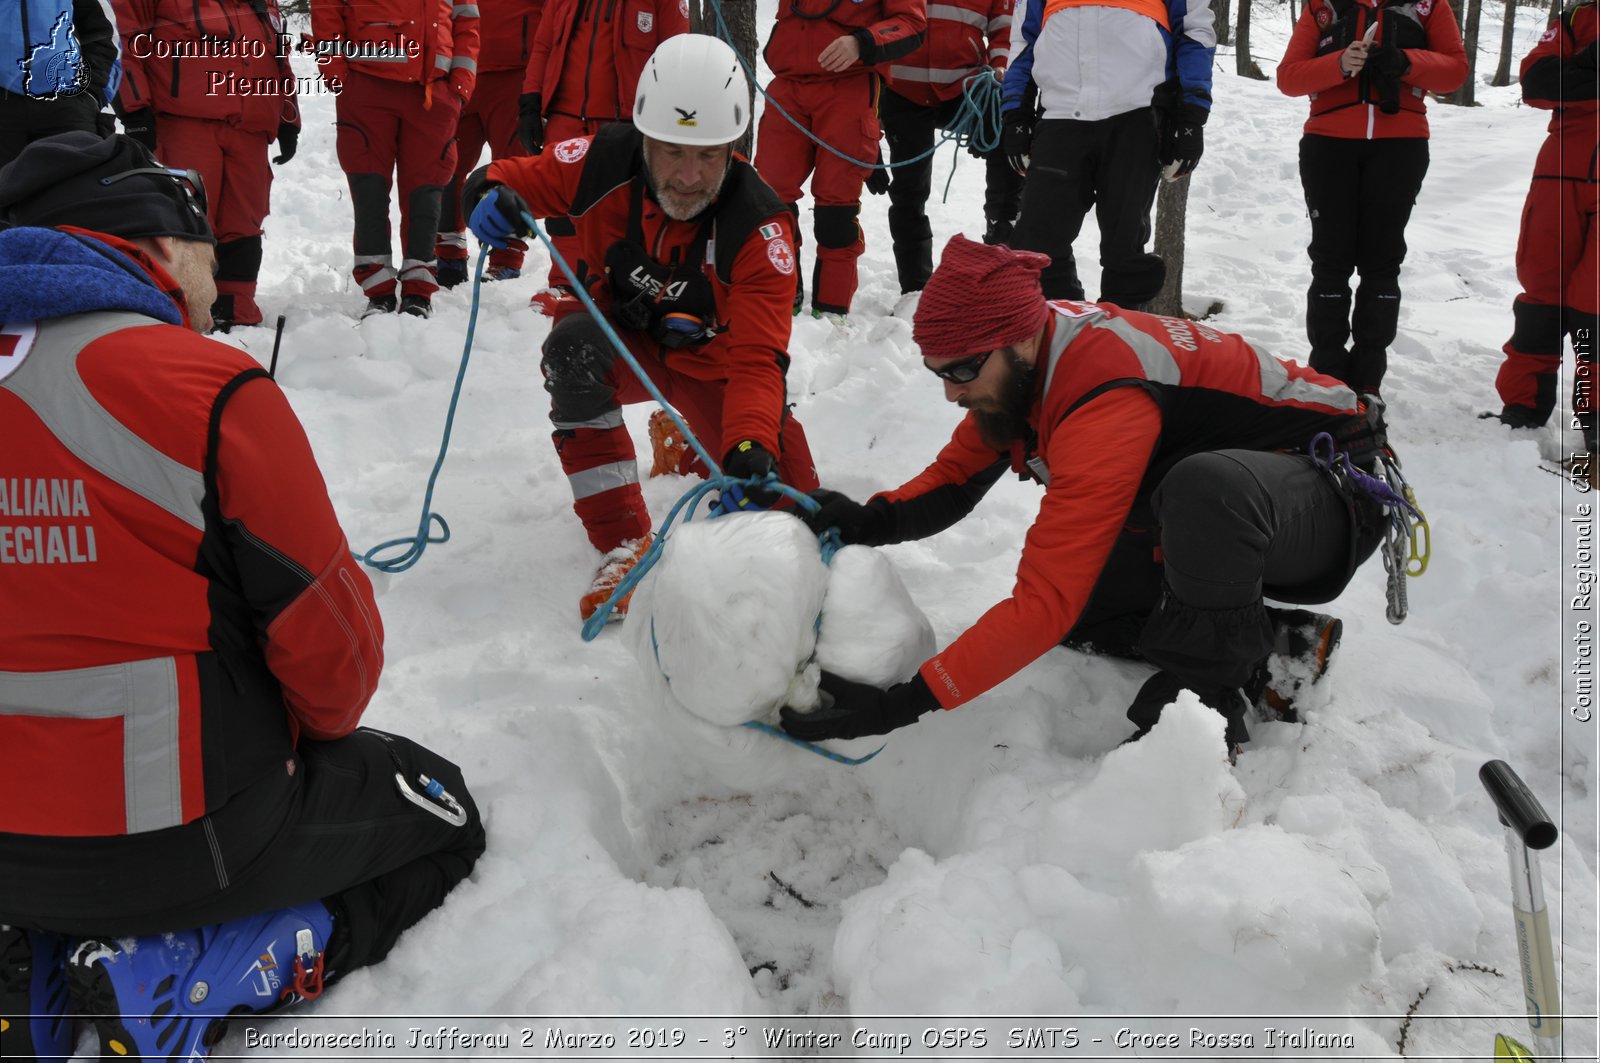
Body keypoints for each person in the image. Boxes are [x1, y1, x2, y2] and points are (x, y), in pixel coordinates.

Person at [0, 132, 485, 1062]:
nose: (211, 294)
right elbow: (335, 675)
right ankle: (182, 973)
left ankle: (37, 966)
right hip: (184, 838)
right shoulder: (205, 386)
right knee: (442, 815)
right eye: (204, 263)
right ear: (152, 247)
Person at [780, 235, 1388, 753]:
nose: (951, 393)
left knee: (1203, 494)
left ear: (1017, 341)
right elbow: (955, 478)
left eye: (963, 371)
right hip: (1243, 500)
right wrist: (868, 520)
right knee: (1091, 605)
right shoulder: (1028, 356)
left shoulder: (1102, 391)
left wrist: (902, 704)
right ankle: (1282, 645)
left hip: (1333, 488)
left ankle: (1197, 718)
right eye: (938, 372)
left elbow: (1044, 601)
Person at [466, 34, 821, 621]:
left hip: (718, 369)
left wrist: (751, 445)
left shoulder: (761, 231)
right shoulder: (603, 159)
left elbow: (759, 362)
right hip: (622, 342)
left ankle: (690, 439)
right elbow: (510, 175)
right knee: (570, 349)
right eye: (672, 151)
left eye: (708, 155)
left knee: (793, 514)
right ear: (644, 138)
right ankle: (623, 544)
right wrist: (487, 192)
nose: (688, 175)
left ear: (734, 145)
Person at [1277, 0, 1465, 396]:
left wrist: (1405, 61)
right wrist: (1340, 64)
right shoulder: (1322, 7)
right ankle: (1326, 374)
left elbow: (1455, 72)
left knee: (1382, 262)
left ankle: (1367, 379)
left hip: (1401, 146)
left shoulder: (1428, 6)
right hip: (1328, 146)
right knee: (1330, 260)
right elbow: (1289, 78)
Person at [997, 0, 1214, 308]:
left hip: (1136, 115)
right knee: (1036, 245)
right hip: (1060, 115)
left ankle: (1117, 339)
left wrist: (1192, 115)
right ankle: (1068, 331)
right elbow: (1024, 41)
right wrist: (1016, 113)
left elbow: (1195, 32)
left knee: (1124, 249)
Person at [110, 0, 301, 331]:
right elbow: (125, 38)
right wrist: (134, 108)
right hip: (184, 122)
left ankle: (236, 310)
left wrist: (288, 116)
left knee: (245, 217)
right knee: (188, 217)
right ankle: (186, 311)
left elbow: (277, 58)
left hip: (251, 127)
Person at [310, 0, 481, 319]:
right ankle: (378, 289)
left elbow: (466, 20)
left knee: (427, 193)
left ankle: (419, 288)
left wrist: (460, 83)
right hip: (366, 86)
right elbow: (327, 9)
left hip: (434, 94)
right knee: (369, 190)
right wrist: (335, 70)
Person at [754, 0, 926, 317]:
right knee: (768, 200)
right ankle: (779, 296)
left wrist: (862, 42)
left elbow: (912, 23)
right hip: (788, 86)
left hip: (849, 86)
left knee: (837, 208)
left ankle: (831, 310)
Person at [516, 0, 687, 314]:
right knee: (563, 206)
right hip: (564, 116)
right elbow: (543, 45)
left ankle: (616, 287)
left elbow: (675, 57)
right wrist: (531, 101)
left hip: (625, 123)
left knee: (621, 212)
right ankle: (565, 282)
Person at [1493, 0, 1596, 476]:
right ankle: (1522, 408)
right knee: (1541, 293)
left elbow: (1562, 80)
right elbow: (1537, 82)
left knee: (1593, 303)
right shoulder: (1577, 17)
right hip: (1558, 173)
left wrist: (1578, 72)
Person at [880, 0, 1023, 296]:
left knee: (1006, 150)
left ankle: (1003, 246)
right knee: (909, 190)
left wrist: (1000, 67)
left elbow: (1004, 25)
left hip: (968, 86)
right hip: (902, 88)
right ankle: (915, 289)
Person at [435, 0, 546, 290]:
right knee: (446, 163)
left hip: (515, 73)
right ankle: (448, 253)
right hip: (459, 68)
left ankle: (506, 257)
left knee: (512, 167)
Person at [0, 0, 119, 167]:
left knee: (77, 188)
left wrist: (92, 92)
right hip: (5, 110)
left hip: (66, 105)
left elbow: (104, 32)